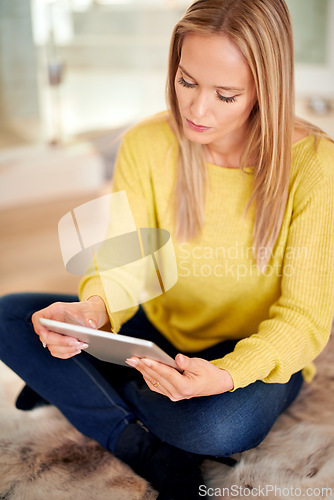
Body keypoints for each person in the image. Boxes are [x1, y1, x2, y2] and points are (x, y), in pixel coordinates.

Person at [1, 0, 334, 498]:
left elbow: (303, 320)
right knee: (12, 317)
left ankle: (82, 387)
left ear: (267, 87)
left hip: (248, 353)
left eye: (225, 95)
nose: (197, 110)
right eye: (187, 82)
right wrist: (94, 311)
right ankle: (136, 441)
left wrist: (225, 375)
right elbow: (127, 263)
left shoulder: (314, 166)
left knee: (216, 429)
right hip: (153, 332)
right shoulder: (146, 143)